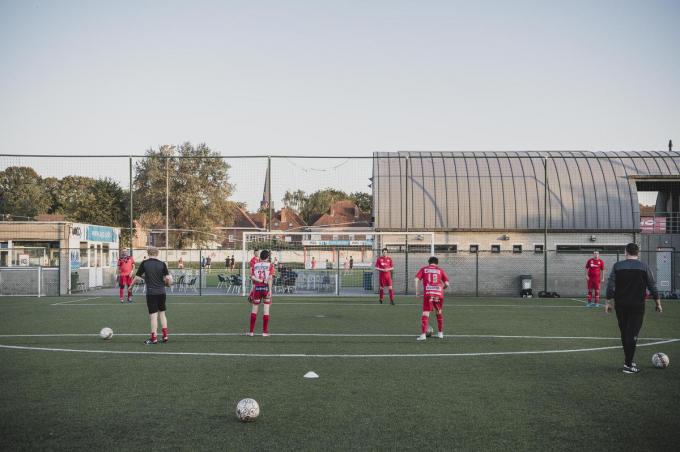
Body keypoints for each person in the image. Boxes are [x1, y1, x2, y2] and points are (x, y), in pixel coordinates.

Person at [604, 243, 662, 374]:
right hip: (637, 306)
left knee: (625, 333)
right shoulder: (644, 266)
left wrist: (607, 302)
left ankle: (628, 361)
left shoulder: (617, 266)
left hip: (621, 305)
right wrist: (658, 303)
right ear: (638, 252)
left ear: (626, 252)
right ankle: (628, 365)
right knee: (631, 335)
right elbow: (652, 286)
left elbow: (610, 286)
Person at [133, 246, 172, 345]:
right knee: (162, 314)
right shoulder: (162, 264)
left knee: (153, 317)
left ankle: (154, 338)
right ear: (157, 253)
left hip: (151, 293)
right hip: (162, 292)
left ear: (148, 253)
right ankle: (165, 336)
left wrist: (130, 286)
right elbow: (168, 279)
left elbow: (137, 277)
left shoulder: (145, 263)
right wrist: (167, 283)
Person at [414, 256, 450, 341]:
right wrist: (442, 288)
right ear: (437, 263)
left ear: (429, 262)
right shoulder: (440, 270)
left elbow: (416, 279)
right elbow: (447, 284)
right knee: (439, 312)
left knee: (426, 313)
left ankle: (423, 335)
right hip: (439, 293)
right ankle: (440, 333)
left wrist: (417, 292)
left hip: (428, 293)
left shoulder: (424, 269)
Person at [247, 249, 275, 337]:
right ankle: (265, 332)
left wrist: (260, 280)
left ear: (260, 257)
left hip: (257, 288)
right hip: (266, 288)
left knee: (254, 310)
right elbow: (270, 278)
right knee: (266, 310)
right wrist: (270, 291)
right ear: (267, 257)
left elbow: (251, 277)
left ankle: (251, 332)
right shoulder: (270, 265)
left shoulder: (255, 265)